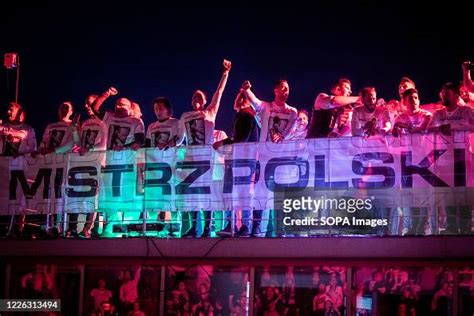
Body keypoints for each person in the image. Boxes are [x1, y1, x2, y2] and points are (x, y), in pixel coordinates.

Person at [180, 59, 232, 238]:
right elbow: (180, 137)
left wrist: (225, 73)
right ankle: (194, 227)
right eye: (193, 97)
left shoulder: (209, 112)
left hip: (206, 158)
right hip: (190, 158)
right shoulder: (185, 115)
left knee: (207, 193)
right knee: (193, 194)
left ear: (204, 101)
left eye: (199, 97)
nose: (196, 99)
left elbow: (219, 92)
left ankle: (207, 229)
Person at [214, 89, 262, 237]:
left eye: (243, 96)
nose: (240, 97)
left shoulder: (246, 115)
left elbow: (241, 139)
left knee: (240, 192)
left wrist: (222, 142)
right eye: (239, 95)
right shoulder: (247, 116)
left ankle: (242, 226)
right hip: (243, 159)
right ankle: (235, 225)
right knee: (237, 192)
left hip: (243, 160)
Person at [146, 97, 183, 236]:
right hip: (155, 167)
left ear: (168, 109)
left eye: (160, 108)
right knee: (156, 196)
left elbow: (179, 138)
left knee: (172, 196)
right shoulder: (151, 126)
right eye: (155, 109)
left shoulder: (176, 123)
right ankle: (156, 226)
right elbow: (147, 144)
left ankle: (174, 226)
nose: (158, 111)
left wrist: (167, 144)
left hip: (171, 166)